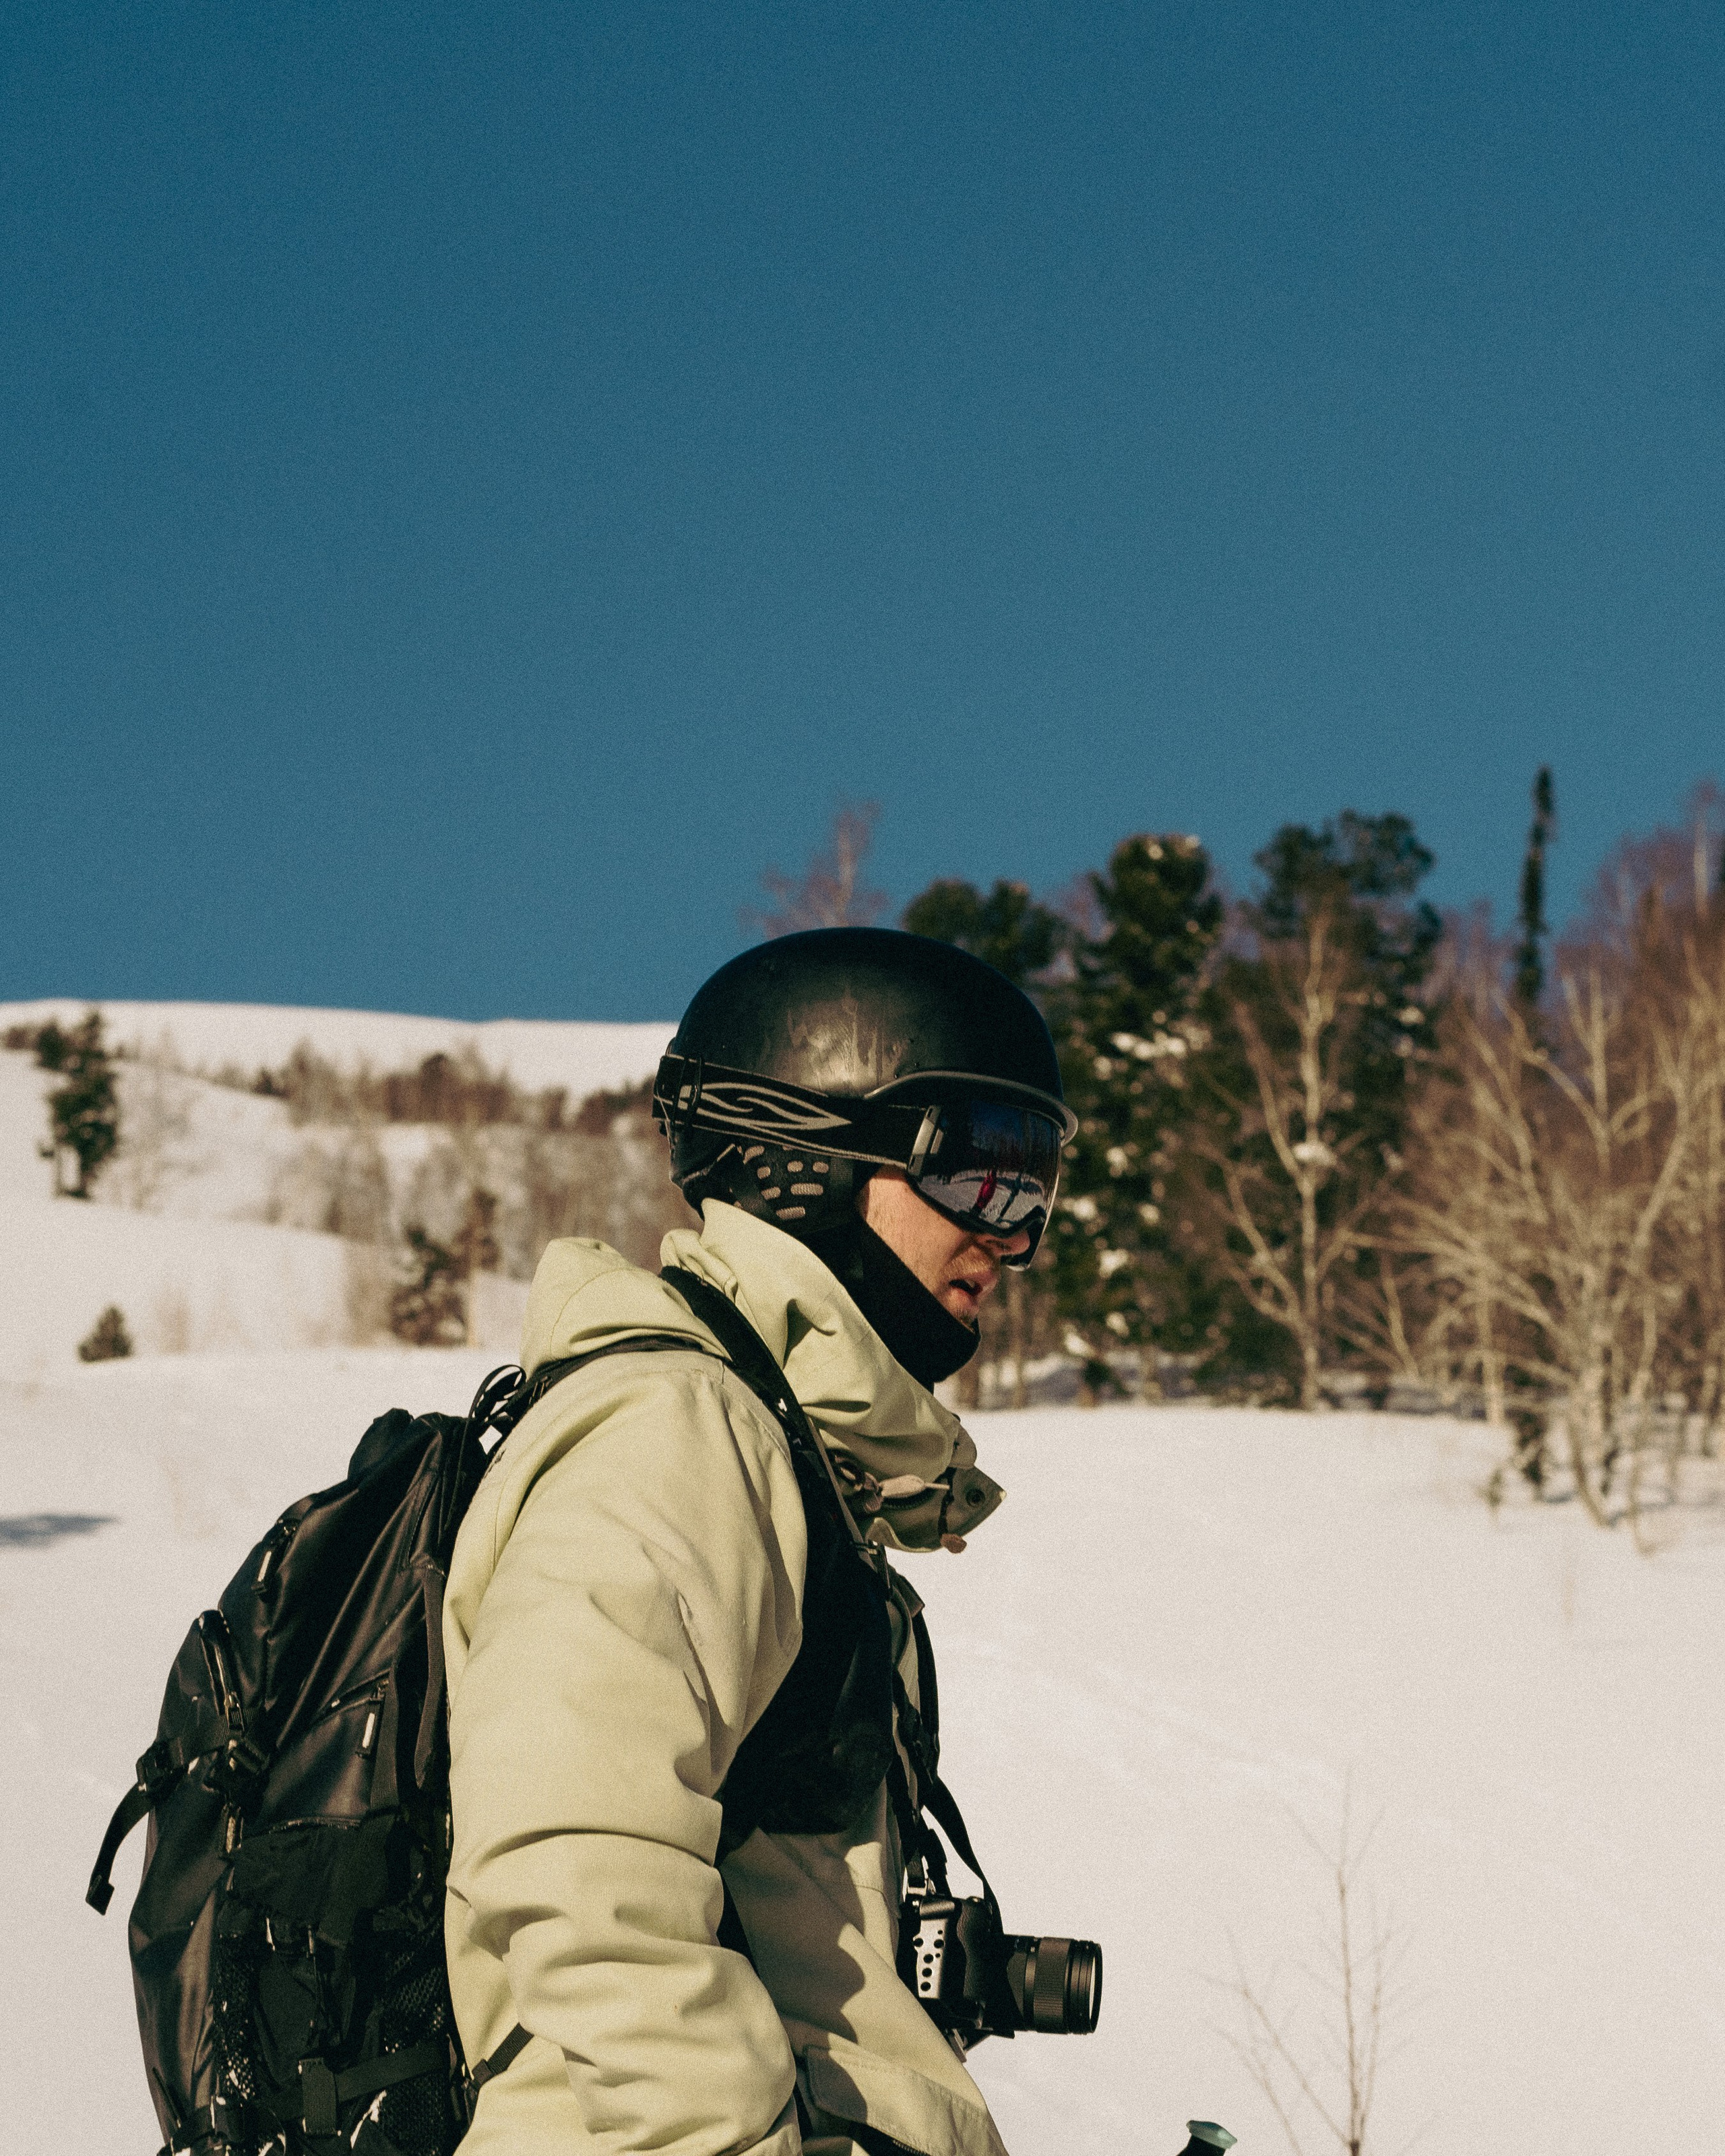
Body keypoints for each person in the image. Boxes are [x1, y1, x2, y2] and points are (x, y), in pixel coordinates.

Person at [441, 926, 1075, 2156]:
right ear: (806, 1157)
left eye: (1037, 1184)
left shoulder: (788, 1458)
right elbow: (578, 1854)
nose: (1013, 1231)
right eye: (984, 1169)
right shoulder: (681, 1427)